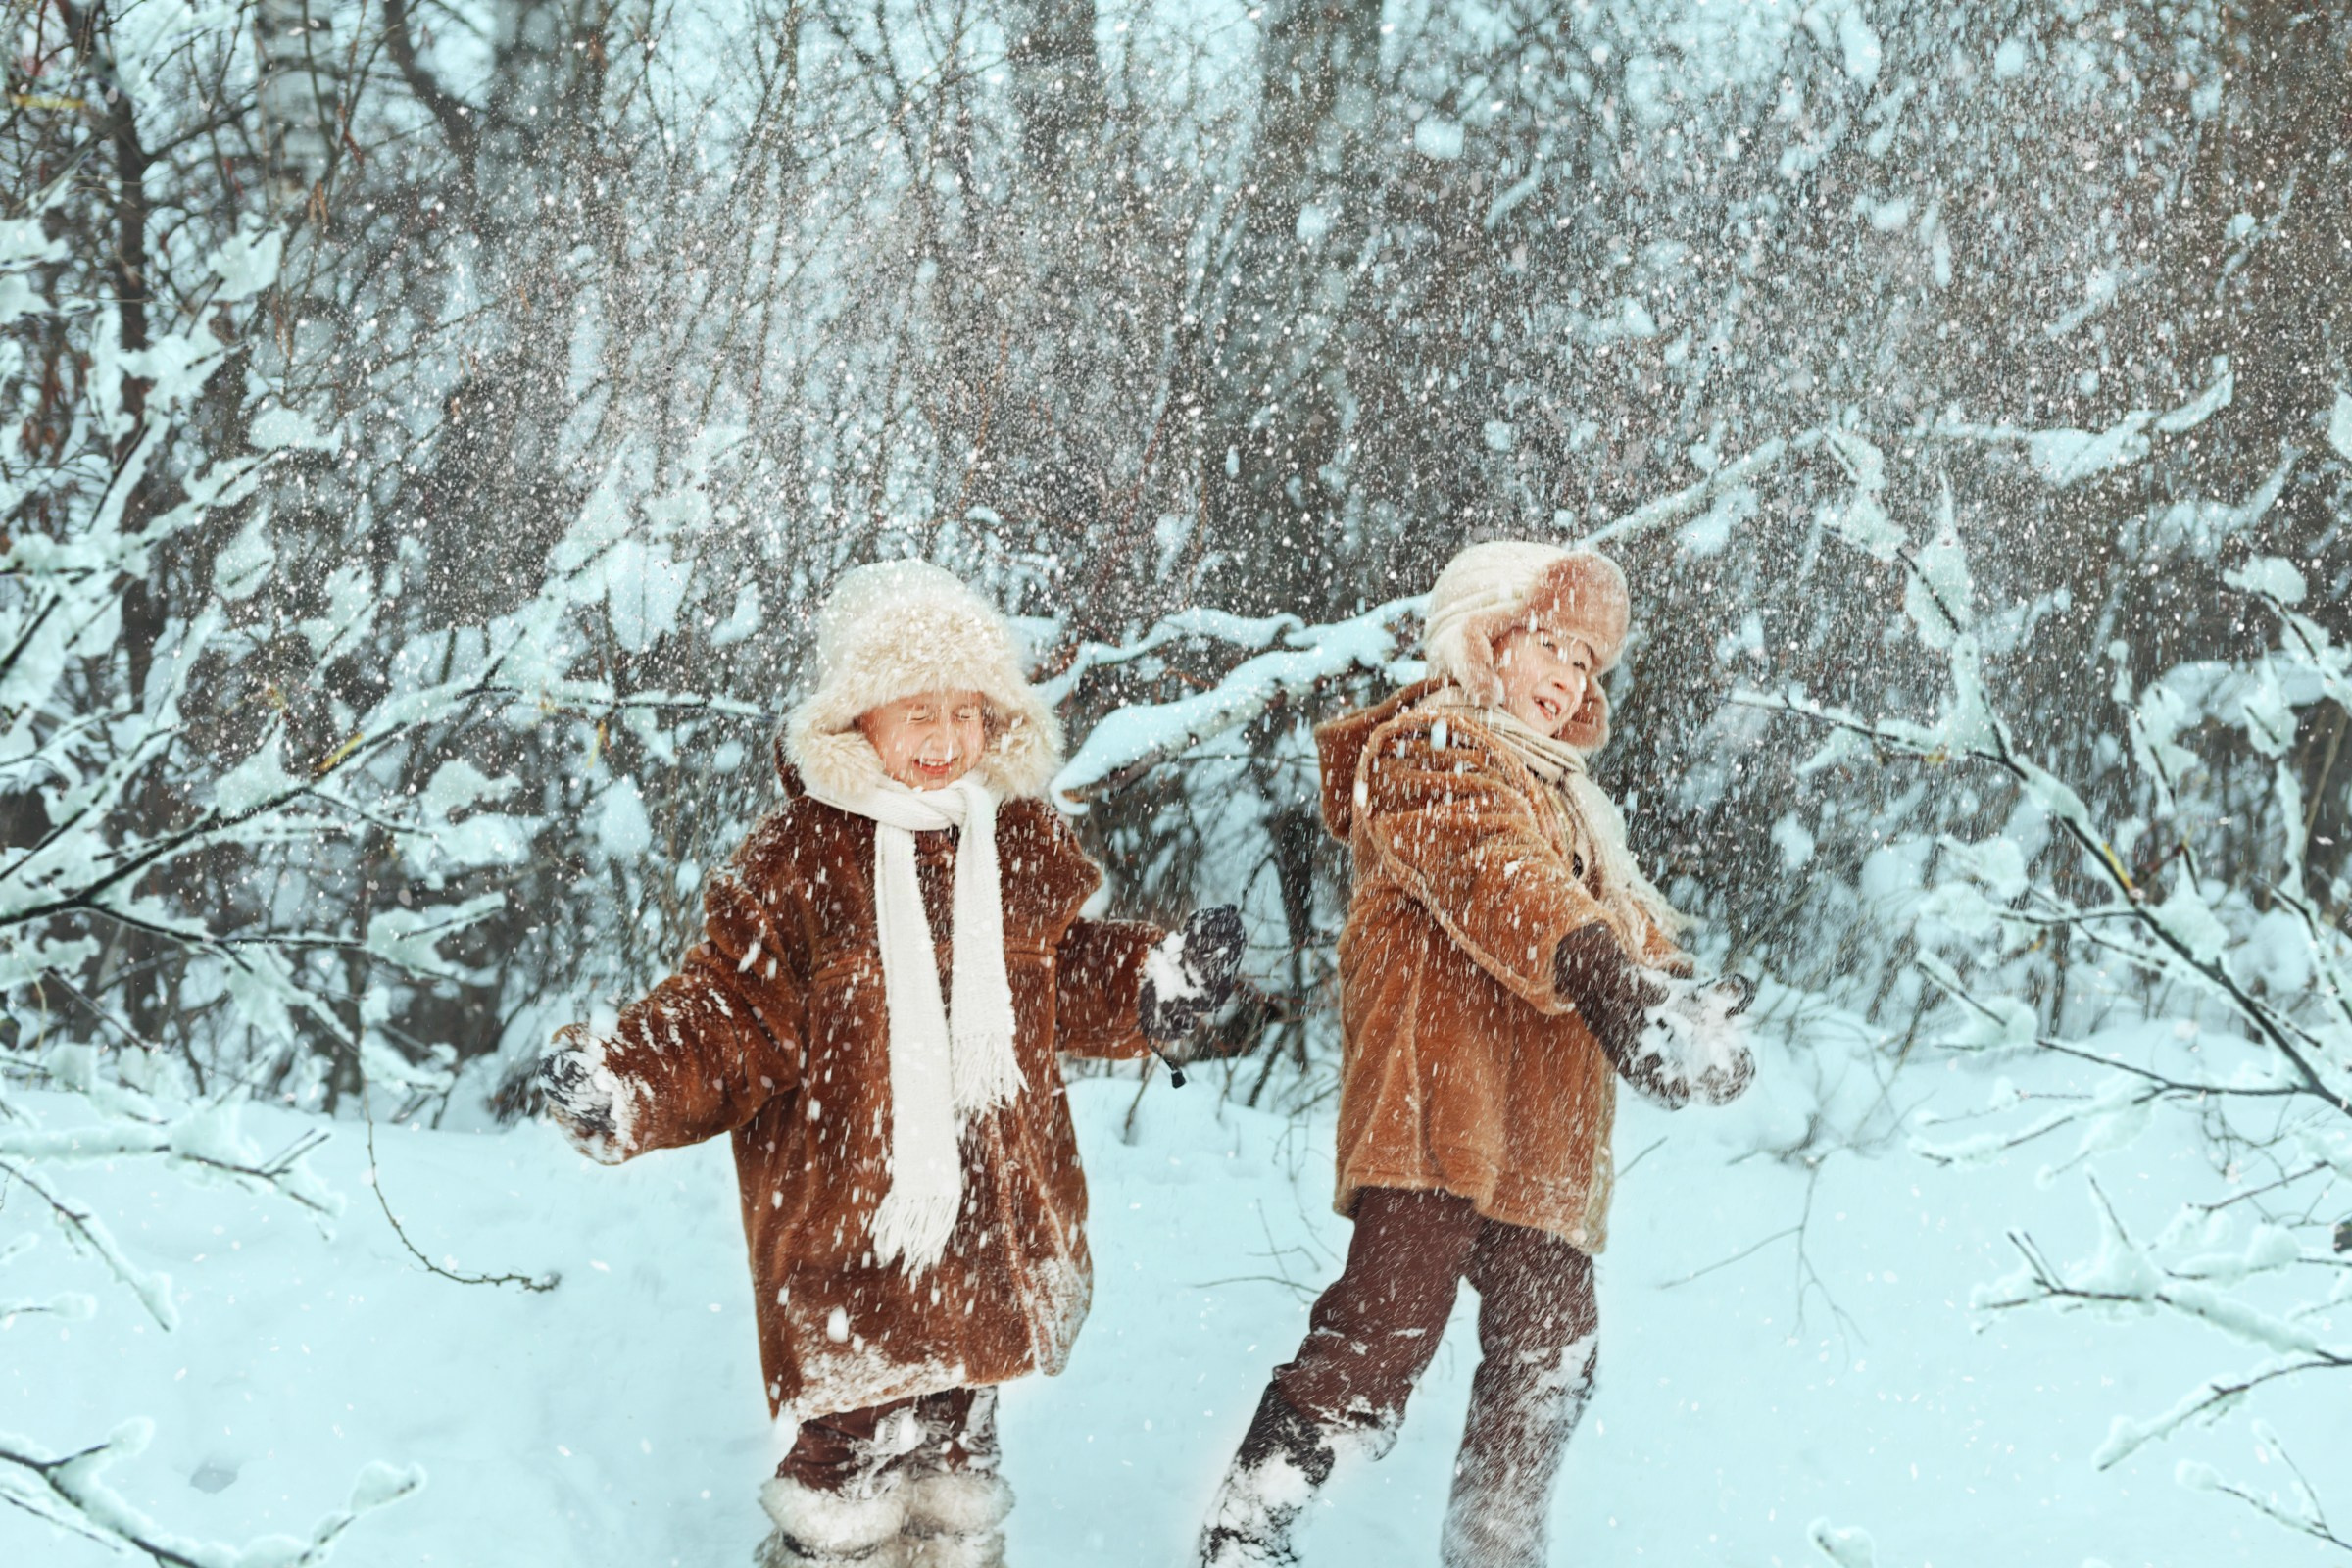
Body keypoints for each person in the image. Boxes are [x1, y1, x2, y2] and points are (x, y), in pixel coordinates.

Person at [537, 560, 1243, 1568]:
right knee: (851, 1475)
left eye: (967, 711)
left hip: (987, 1227)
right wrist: (627, 1079)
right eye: (917, 710)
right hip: (850, 1237)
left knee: (957, 1465)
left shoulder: (1012, 839)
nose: (946, 739)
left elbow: (1063, 971)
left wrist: (1153, 982)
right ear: (853, 716)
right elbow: (729, 1011)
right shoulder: (800, 864)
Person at [1196, 541, 1754, 1568]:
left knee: (1552, 1350)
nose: (1571, 677)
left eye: (1589, 662)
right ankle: (1246, 1533)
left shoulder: (1575, 802)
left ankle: (1494, 1550)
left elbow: (1621, 926)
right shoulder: (1426, 746)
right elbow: (1499, 877)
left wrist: (1685, 1014)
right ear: (1482, 635)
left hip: (1544, 1136)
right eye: (1551, 645)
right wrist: (1609, 980)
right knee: (1383, 1332)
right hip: (1440, 1111)